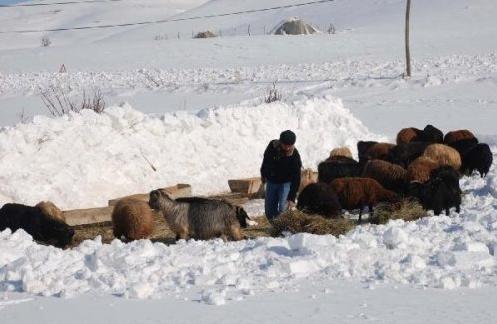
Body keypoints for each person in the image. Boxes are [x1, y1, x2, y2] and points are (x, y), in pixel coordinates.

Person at [260, 130, 302, 222]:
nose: (287, 148)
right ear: (280, 142)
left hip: (285, 184)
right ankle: (275, 226)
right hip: (271, 182)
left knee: (283, 208)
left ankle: (284, 228)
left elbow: (296, 178)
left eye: (289, 146)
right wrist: (264, 174)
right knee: (269, 210)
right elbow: (266, 161)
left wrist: (291, 197)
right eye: (285, 145)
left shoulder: (294, 156)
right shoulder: (272, 146)